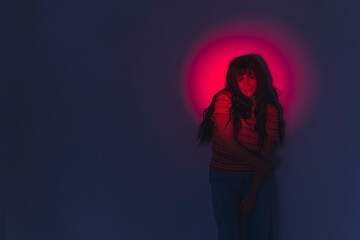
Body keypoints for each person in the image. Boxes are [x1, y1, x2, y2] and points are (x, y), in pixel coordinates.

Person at [196, 54, 285, 240]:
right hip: (224, 178)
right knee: (229, 235)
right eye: (240, 78)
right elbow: (229, 144)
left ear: (259, 78)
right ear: (233, 81)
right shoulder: (224, 99)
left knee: (261, 235)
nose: (246, 83)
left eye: (251, 77)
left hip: (257, 180)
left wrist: (253, 194)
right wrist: (262, 163)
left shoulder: (270, 110)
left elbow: (266, 153)